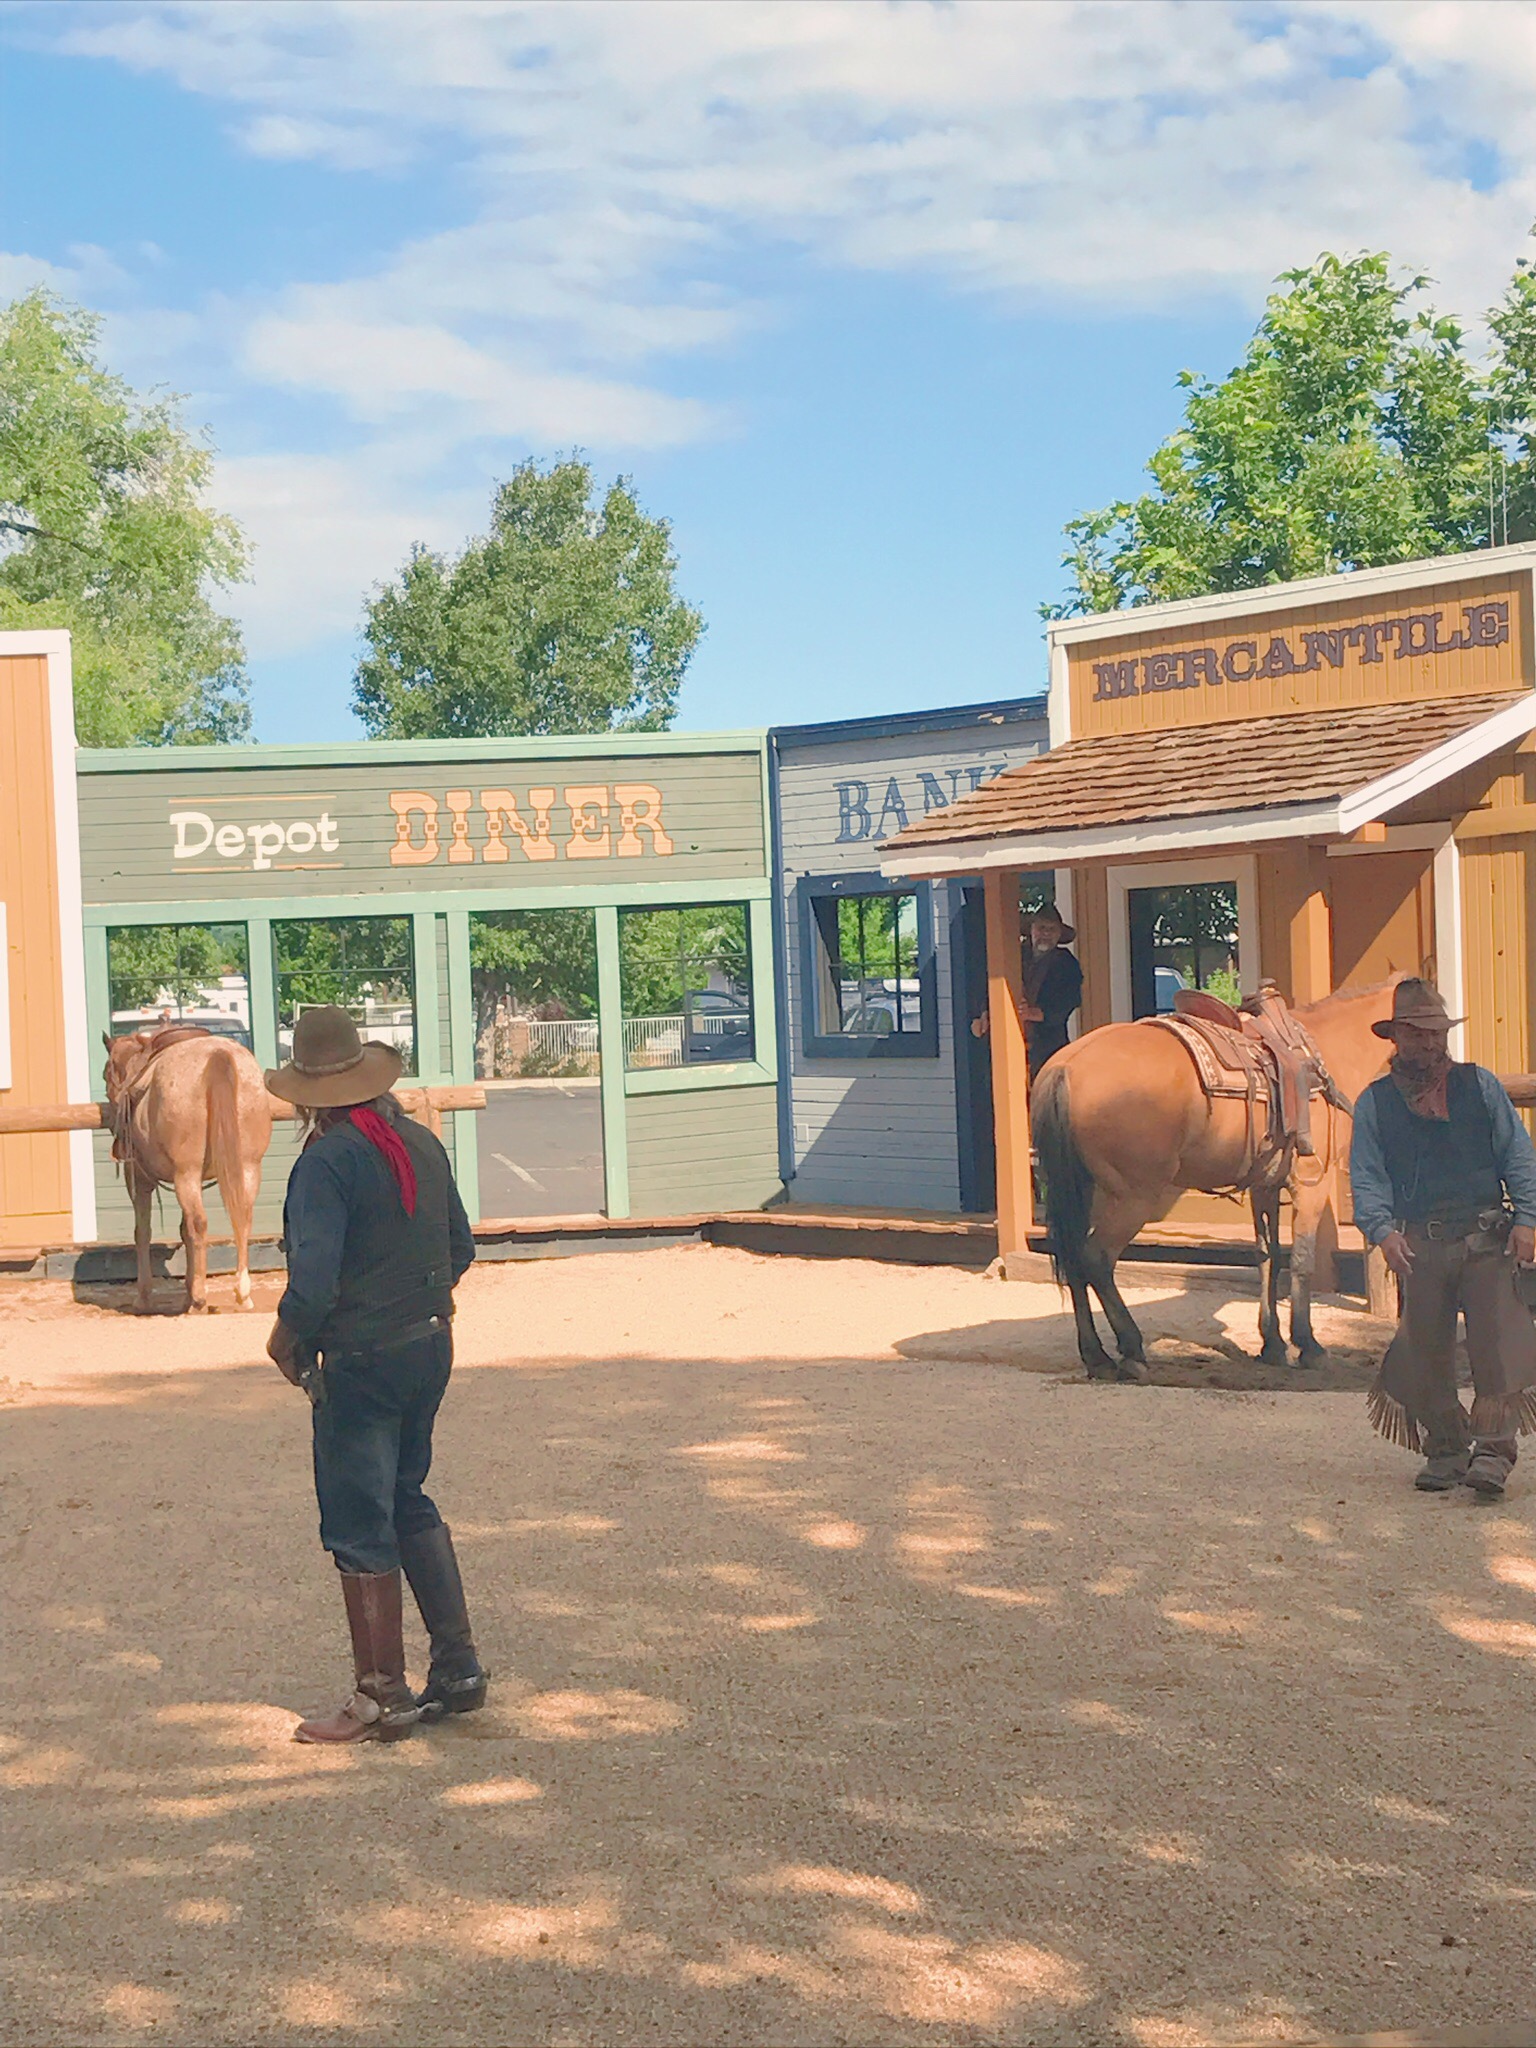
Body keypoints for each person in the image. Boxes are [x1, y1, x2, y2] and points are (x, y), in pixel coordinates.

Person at [265, 1006, 486, 1743]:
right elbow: (461, 1249)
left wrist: (286, 1339)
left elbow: (312, 1285)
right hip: (430, 1345)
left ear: (308, 1096)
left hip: (362, 1361)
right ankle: (457, 1667)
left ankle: (381, 1696)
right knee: (406, 1496)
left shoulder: (324, 1163)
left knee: (359, 1518)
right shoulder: (419, 1141)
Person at [1350, 979, 1536, 1500]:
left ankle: (1493, 1453)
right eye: (1417, 1034)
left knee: (1496, 1346)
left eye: (1436, 1033)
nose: (1430, 1043)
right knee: (1425, 1349)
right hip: (1419, 1244)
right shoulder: (1375, 1103)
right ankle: (1447, 1449)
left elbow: (1517, 1154)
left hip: (1487, 1238)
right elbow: (1367, 1175)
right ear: (1396, 1037)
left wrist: (1528, 1218)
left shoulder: (1481, 1086)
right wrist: (1382, 1231)